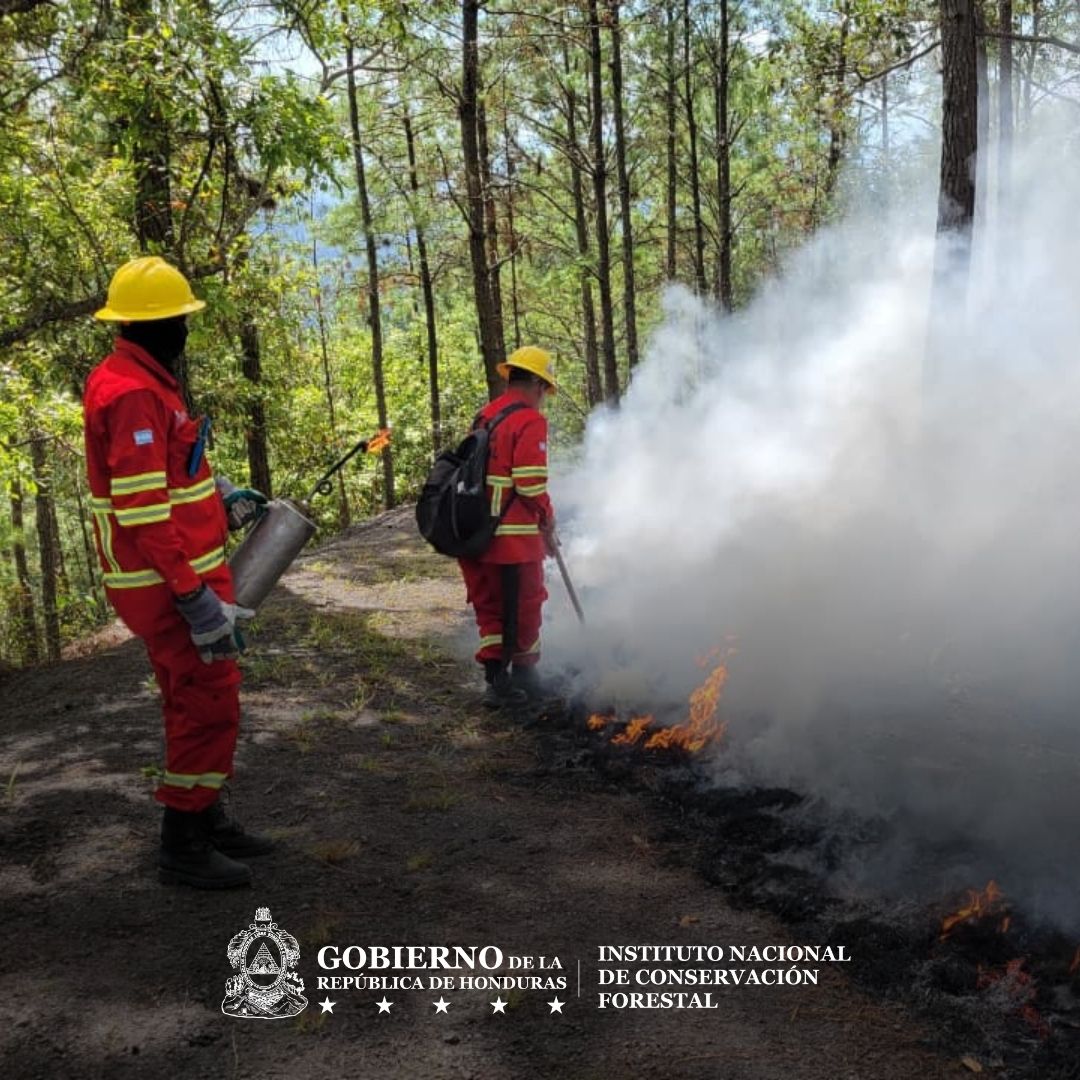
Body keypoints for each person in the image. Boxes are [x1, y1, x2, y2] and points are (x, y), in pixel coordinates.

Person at [84, 255, 272, 889]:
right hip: (170, 585)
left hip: (179, 576)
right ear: (156, 325)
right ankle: (184, 844)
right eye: (179, 321)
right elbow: (142, 508)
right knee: (208, 703)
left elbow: (168, 473)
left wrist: (219, 494)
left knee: (189, 700)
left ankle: (206, 815)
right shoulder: (134, 390)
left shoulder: (141, 377)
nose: (186, 332)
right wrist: (194, 598)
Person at [459, 345, 558, 708]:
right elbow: (531, 485)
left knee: (490, 606)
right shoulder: (529, 421)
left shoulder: (485, 415)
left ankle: (496, 682)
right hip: (511, 542)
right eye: (544, 389)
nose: (544, 397)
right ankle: (525, 679)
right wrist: (548, 518)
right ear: (533, 383)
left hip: (473, 536)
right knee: (526, 605)